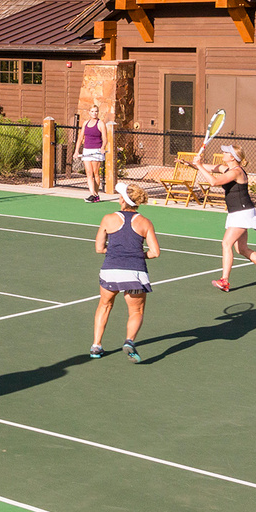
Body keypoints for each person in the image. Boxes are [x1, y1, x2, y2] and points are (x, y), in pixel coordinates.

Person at [196, 145, 256, 291]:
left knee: (226, 244)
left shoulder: (236, 172)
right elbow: (211, 168)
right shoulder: (228, 169)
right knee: (242, 249)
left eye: (226, 152)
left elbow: (214, 182)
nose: (222, 153)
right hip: (237, 213)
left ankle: (224, 280)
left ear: (232, 157)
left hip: (242, 213)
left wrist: (199, 165)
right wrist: (192, 164)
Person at [91, 181, 161, 361]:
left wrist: (115, 251)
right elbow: (155, 253)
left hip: (110, 271)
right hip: (135, 273)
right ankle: (129, 341)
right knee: (136, 312)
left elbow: (99, 248)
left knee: (104, 305)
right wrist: (136, 255)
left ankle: (96, 346)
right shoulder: (146, 222)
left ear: (123, 199)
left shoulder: (108, 218)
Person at [78, 105, 107, 201]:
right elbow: (81, 137)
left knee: (96, 173)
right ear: (89, 112)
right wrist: (76, 151)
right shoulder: (85, 123)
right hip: (86, 150)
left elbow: (105, 138)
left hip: (96, 150)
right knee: (89, 173)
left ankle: (96, 194)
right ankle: (92, 194)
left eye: (96, 111)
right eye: (92, 111)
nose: (94, 113)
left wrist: (103, 147)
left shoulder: (101, 123)